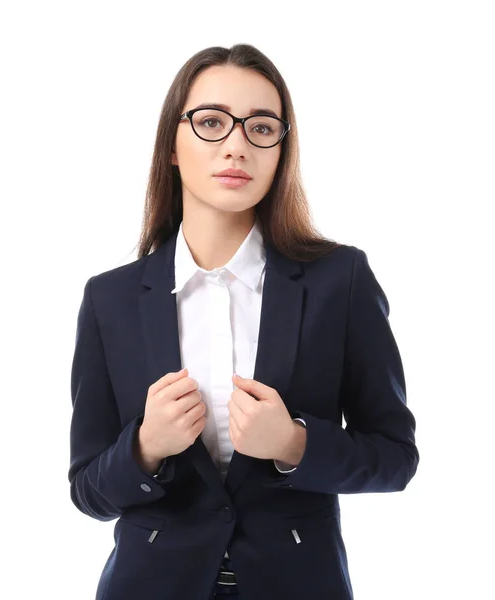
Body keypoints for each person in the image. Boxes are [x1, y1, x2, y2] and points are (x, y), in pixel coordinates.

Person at [68, 43, 419, 600]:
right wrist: (145, 447)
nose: (236, 146)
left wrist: (295, 445)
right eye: (211, 122)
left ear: (281, 149)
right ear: (173, 145)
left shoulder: (341, 280)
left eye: (261, 128)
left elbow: (396, 459)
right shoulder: (109, 298)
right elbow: (88, 491)